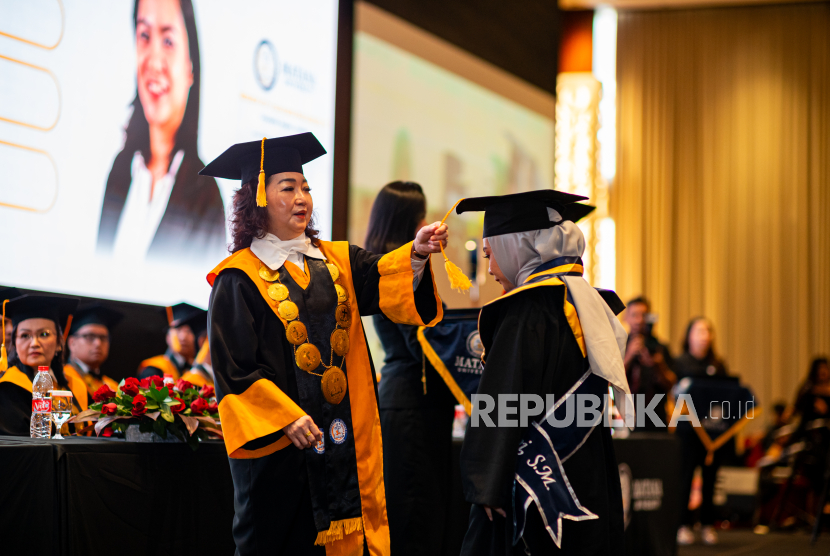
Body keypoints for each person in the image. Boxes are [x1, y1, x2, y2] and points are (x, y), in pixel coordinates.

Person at [201, 133, 446, 555]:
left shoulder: (337, 261)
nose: (302, 197)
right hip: (281, 453)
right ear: (258, 199)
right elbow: (234, 370)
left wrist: (418, 254)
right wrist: (284, 417)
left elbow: (386, 281)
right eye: (288, 187)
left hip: (339, 444)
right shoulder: (237, 278)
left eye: (306, 187)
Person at [456, 190, 629, 556]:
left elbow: (500, 402)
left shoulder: (525, 311)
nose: (490, 269)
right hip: (583, 472)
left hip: (532, 487)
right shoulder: (588, 303)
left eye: (491, 254)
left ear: (516, 247)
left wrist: (486, 483)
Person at [364, 181, 457, 556]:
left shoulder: (393, 266)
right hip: (411, 406)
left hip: (411, 403)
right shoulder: (399, 271)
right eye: (422, 216)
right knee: (416, 516)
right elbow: (418, 343)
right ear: (411, 221)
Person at [97, 0, 225, 264]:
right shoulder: (120, 172)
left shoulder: (206, 199)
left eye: (168, 41)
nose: (154, 62)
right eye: (144, 36)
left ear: (191, 66)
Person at [674, 317, 729, 546]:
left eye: (707, 330)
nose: (703, 335)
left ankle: (707, 524)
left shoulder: (718, 364)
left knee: (710, 480)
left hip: (712, 434)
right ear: (689, 336)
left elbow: (728, 395)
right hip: (687, 431)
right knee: (685, 478)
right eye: (698, 330)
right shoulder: (679, 363)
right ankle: (682, 524)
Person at [0, 295, 89, 436]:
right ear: (15, 344)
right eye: (25, 336)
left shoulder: (75, 385)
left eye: (44, 334)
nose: (34, 343)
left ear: (60, 342)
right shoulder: (8, 389)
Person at [622, 296, 676, 430]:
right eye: (634, 315)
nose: (639, 320)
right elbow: (610, 381)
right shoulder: (620, 346)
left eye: (644, 315)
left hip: (657, 415)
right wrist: (629, 355)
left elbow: (672, 384)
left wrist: (658, 365)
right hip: (627, 414)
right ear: (626, 318)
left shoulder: (659, 348)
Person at [137, 302, 205, 380]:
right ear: (168, 337)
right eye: (178, 330)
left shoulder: (199, 371)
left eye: (189, 331)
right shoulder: (154, 370)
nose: (183, 337)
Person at [66, 304, 123, 392]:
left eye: (103, 338)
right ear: (72, 343)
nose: (98, 343)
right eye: (89, 336)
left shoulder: (113, 386)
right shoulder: (62, 379)